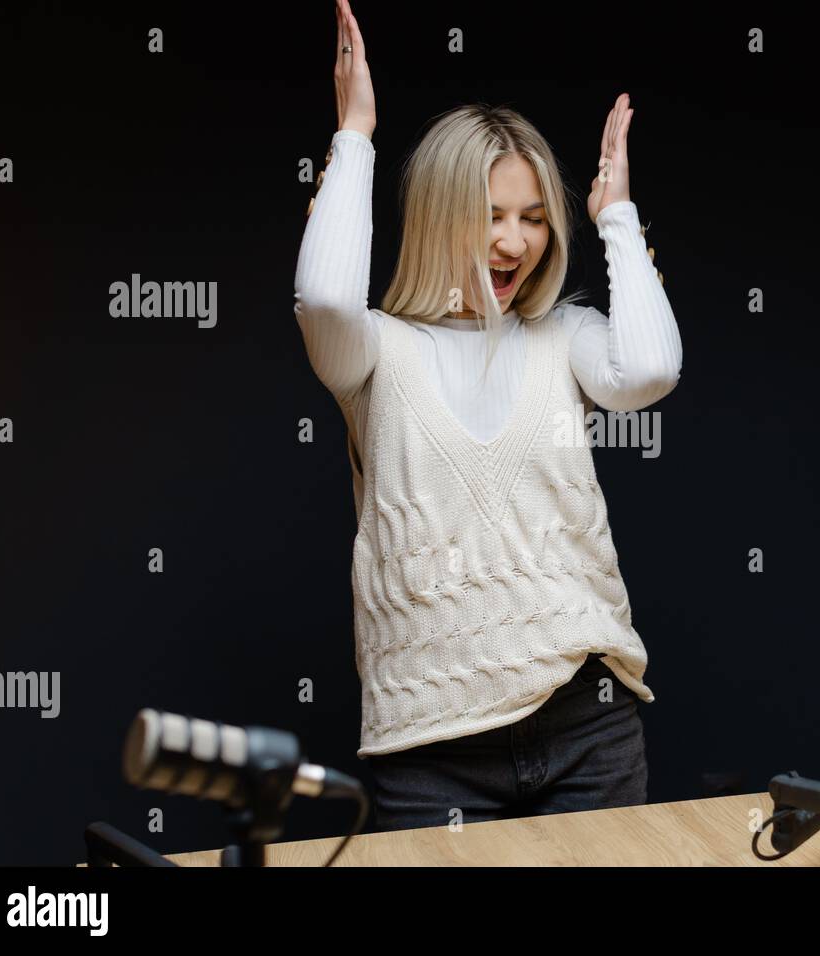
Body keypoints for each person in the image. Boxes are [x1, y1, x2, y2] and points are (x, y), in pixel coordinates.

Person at [293, 0, 682, 832]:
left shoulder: (566, 335)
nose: (514, 242)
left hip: (589, 727)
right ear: (441, 217)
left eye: (534, 218)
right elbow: (323, 295)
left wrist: (615, 216)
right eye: (491, 215)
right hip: (428, 748)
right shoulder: (372, 352)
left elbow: (651, 369)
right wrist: (354, 134)